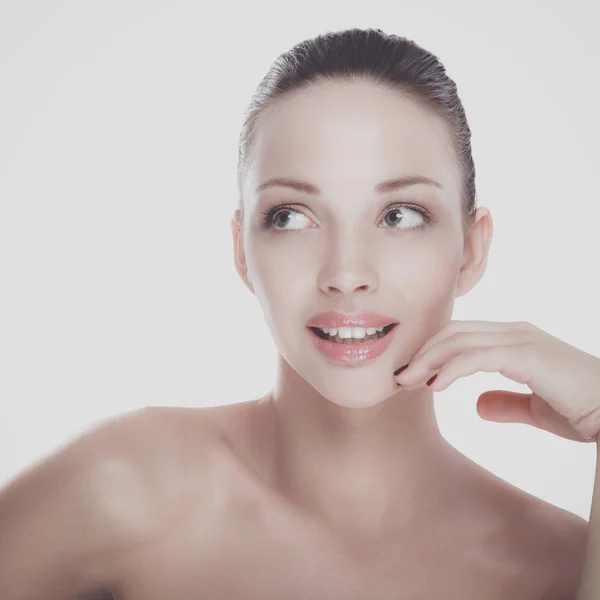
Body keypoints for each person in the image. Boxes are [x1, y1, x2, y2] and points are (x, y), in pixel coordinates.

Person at [0, 27, 590, 600]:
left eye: (401, 215)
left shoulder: (564, 567)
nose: (346, 272)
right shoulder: (120, 489)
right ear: (241, 251)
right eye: (291, 216)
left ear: (472, 248)